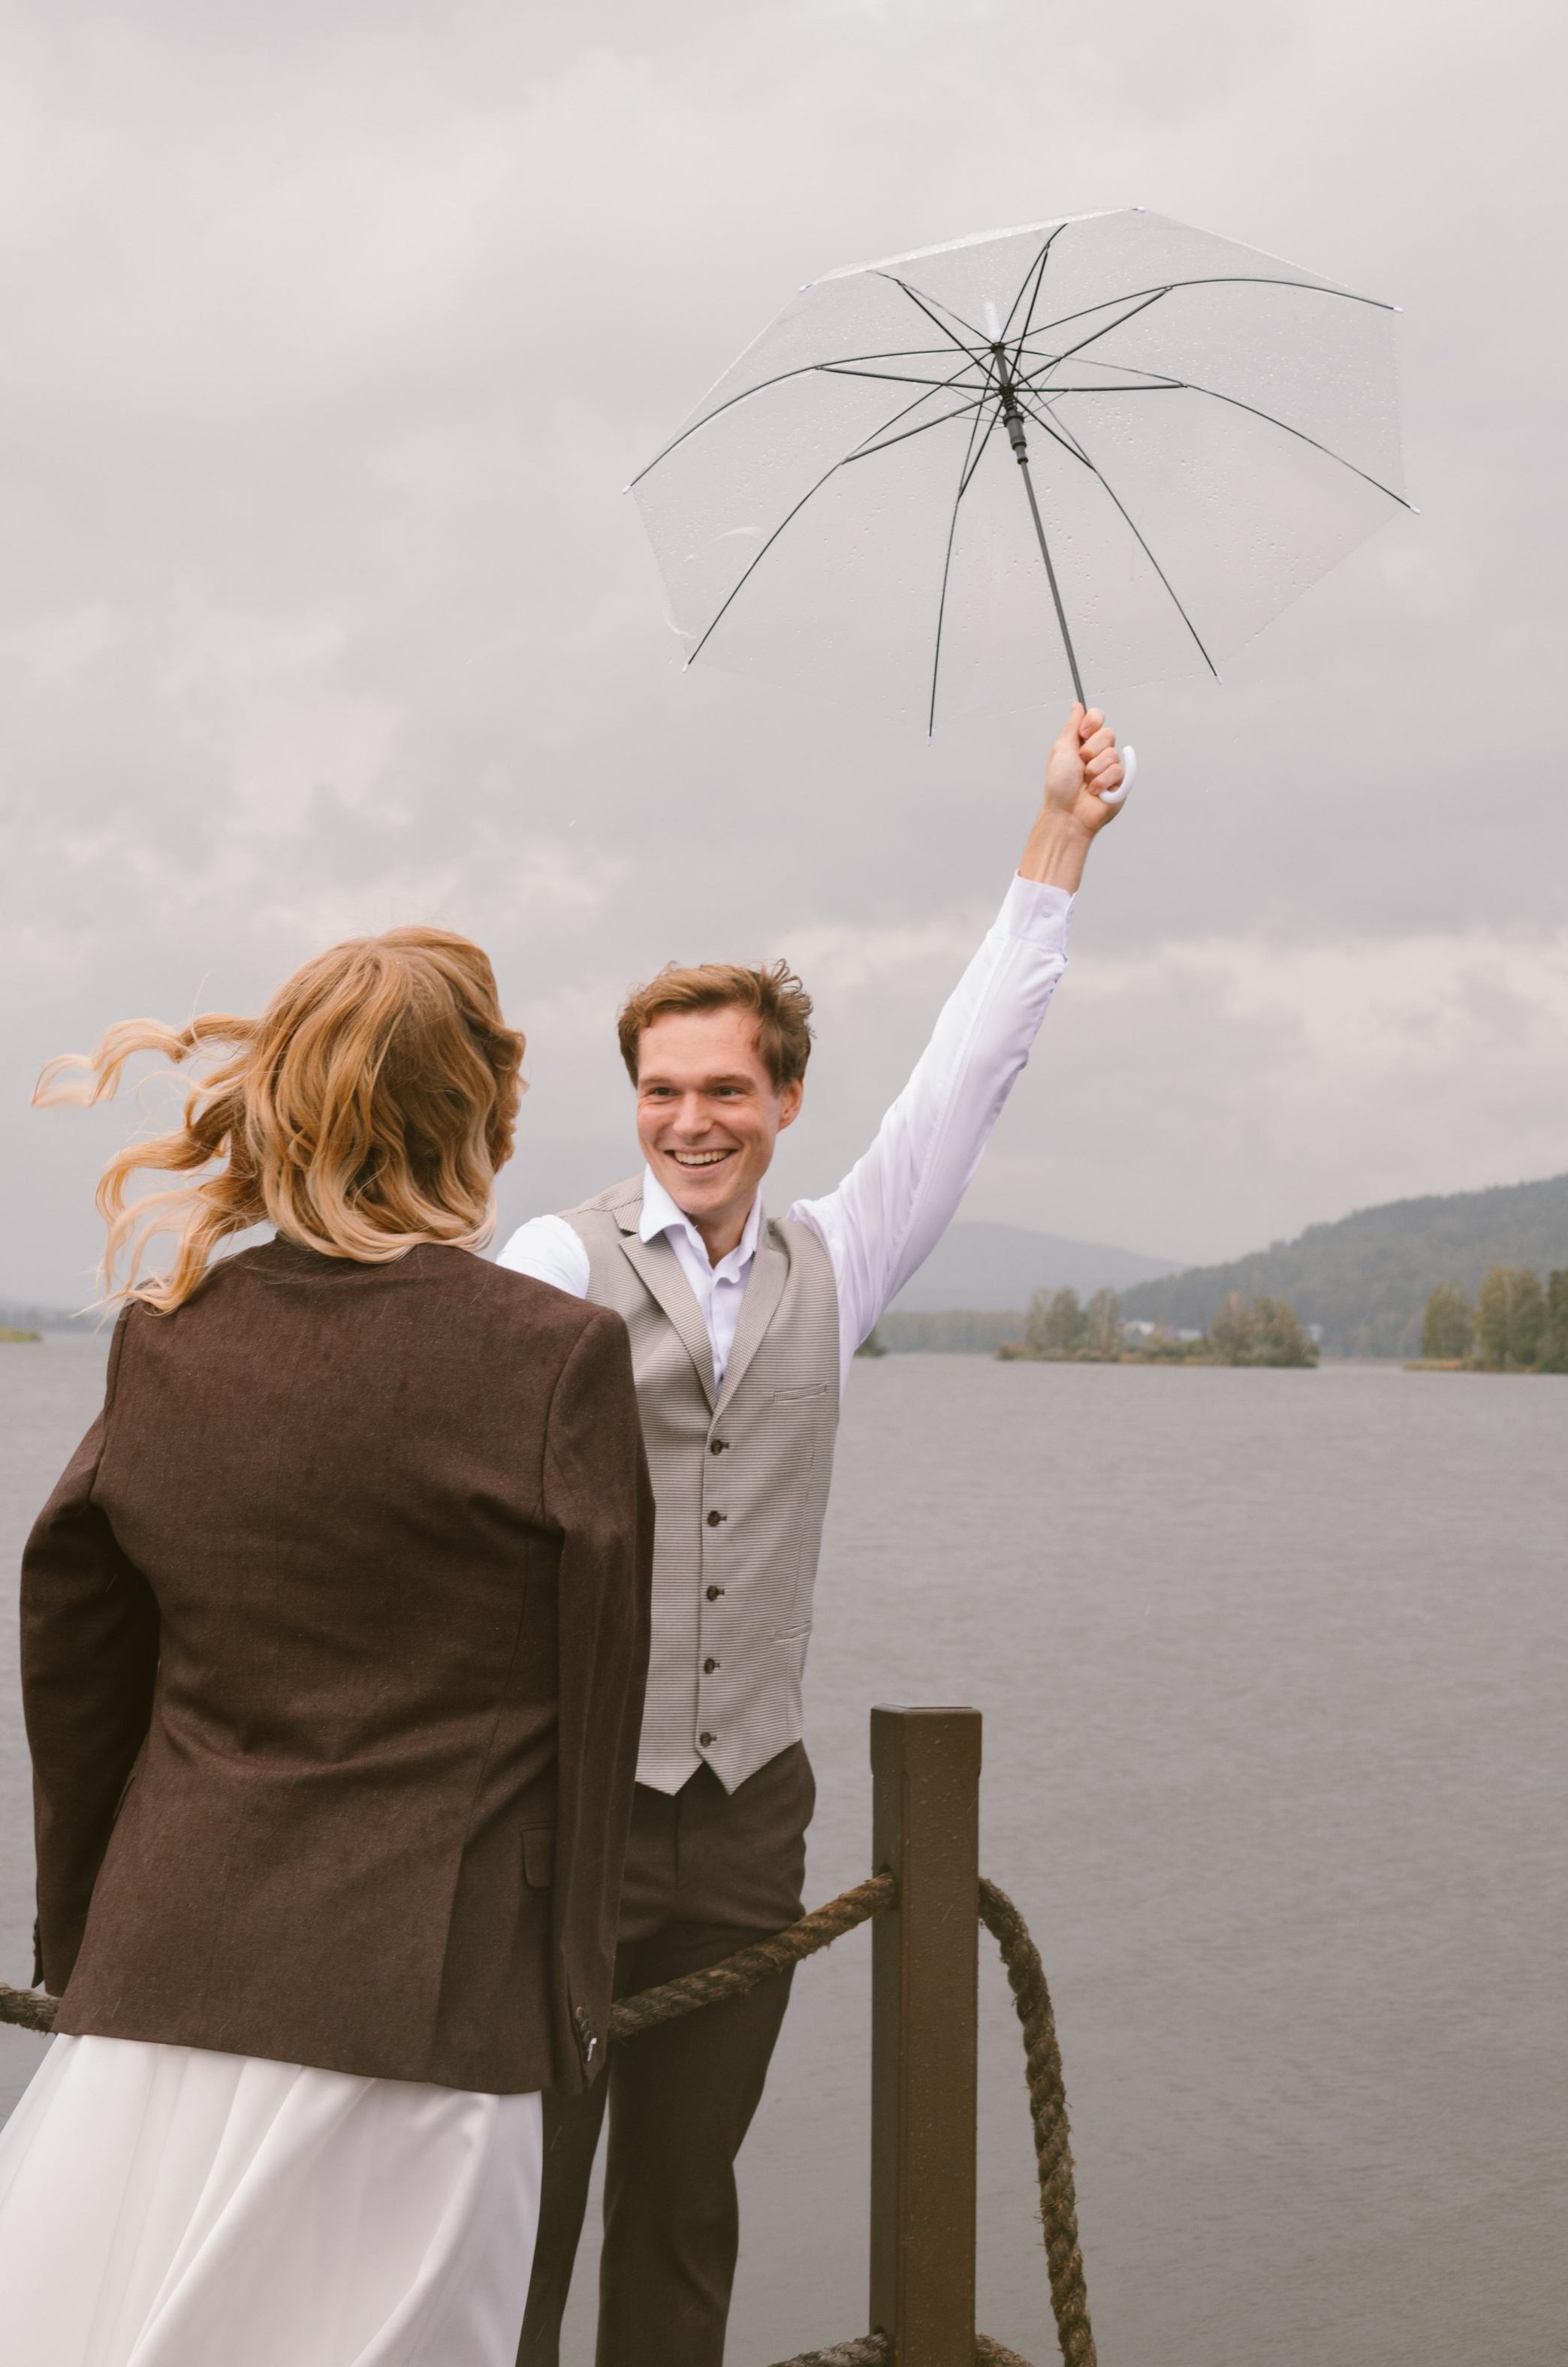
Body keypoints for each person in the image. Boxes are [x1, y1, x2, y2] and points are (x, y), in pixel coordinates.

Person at [0, 927, 653, 2367]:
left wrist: (89, 1935)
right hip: (434, 2007)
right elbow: (599, 1702)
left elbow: (77, 1657)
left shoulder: (167, 1340)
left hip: (166, 1975)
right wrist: (575, 1996)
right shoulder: (558, 1359)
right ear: (485, 1118)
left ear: (292, 1102)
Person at [499, 703, 1128, 2367]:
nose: (685, 1120)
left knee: (684, 2201)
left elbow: (969, 1070)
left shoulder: (836, 1262)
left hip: (744, 1814)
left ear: (782, 1101)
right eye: (656, 1090)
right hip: (565, 1806)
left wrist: (1054, 833)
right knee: (520, 2201)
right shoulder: (551, 1271)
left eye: (720, 1089)